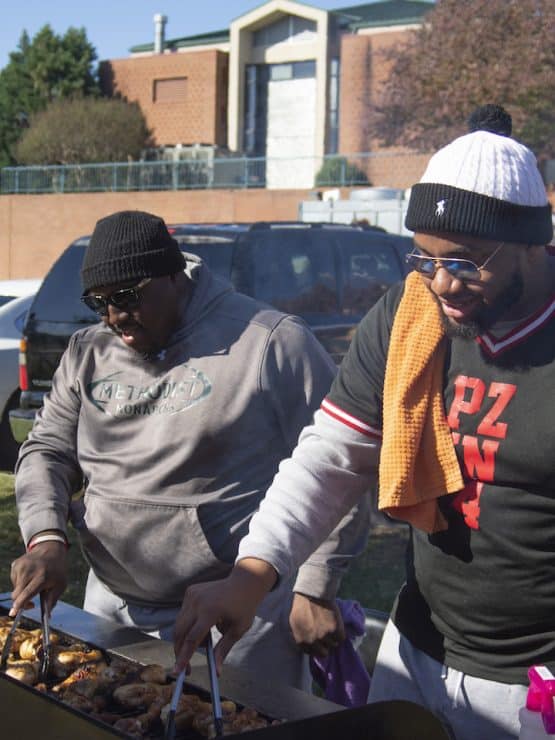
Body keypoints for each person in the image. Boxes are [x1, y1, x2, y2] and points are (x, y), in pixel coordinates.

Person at [172, 111, 554, 740]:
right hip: (416, 649)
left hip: (532, 686)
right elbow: (332, 454)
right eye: (424, 258)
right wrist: (252, 571)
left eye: (463, 261)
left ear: (532, 244)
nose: (440, 283)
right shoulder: (409, 312)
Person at [9, 209, 370, 690]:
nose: (114, 317)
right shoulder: (88, 352)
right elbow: (47, 449)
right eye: (99, 302)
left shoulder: (269, 342)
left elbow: (337, 464)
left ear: (173, 276)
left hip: (238, 614)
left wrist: (316, 586)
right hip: (112, 603)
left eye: (127, 296)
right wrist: (46, 537)